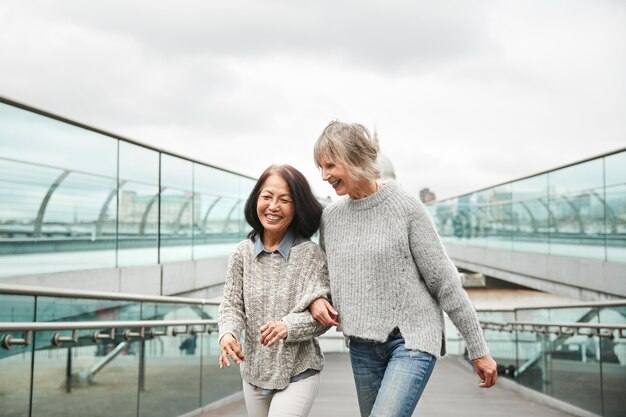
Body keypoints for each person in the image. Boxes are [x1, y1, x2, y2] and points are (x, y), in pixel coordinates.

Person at [308, 121, 498, 417]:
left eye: (330, 165)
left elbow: (444, 281)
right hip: (361, 346)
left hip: (410, 339)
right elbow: (322, 276)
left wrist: (478, 349)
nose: (324, 176)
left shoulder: (405, 207)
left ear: (356, 158)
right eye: (320, 167)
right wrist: (318, 297)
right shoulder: (330, 218)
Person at [218, 164, 331, 417]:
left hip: (298, 373)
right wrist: (227, 334)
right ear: (255, 200)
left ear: (297, 206)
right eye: (267, 197)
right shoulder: (241, 254)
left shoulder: (310, 255)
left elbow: (323, 319)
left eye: (284, 200)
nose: (273, 207)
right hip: (253, 372)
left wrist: (287, 326)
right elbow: (231, 305)